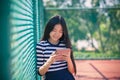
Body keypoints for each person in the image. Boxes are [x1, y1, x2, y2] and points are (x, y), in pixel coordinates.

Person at [36, 15, 76, 80]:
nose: (57, 34)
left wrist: (68, 59)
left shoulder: (65, 45)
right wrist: (50, 61)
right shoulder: (41, 46)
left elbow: (72, 71)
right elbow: (40, 73)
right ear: (49, 29)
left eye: (61, 31)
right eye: (54, 30)